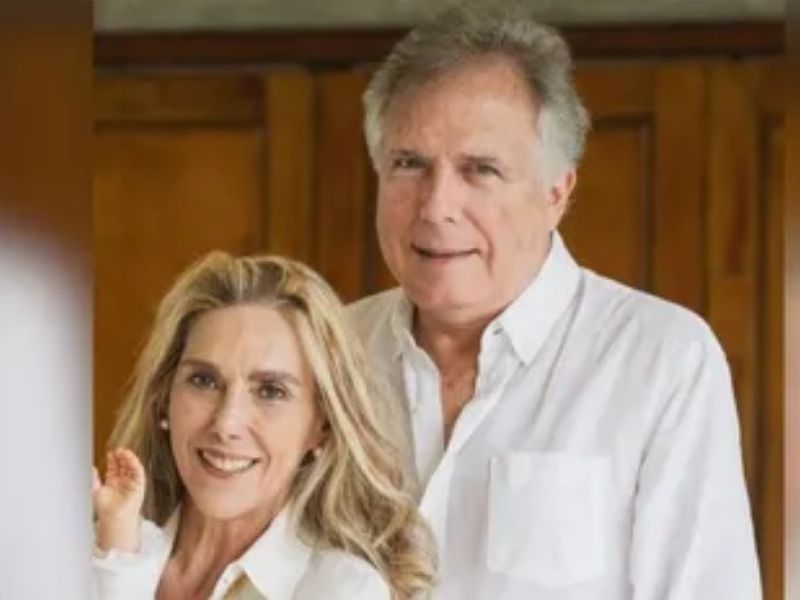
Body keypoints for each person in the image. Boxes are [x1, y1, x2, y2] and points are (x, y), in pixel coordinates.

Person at [349, 2, 761, 598]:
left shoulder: (661, 360)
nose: (437, 206)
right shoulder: (325, 351)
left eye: (480, 169)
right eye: (409, 164)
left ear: (556, 194)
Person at [92, 252, 436, 599]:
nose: (226, 423)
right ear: (164, 397)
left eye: (271, 391)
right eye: (204, 381)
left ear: (321, 426)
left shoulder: (342, 589)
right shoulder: (99, 549)